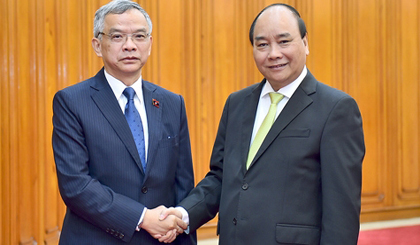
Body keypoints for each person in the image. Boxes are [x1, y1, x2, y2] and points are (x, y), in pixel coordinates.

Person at [161, 3, 365, 245]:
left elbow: (341, 212)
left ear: (305, 43)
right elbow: (221, 177)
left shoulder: (336, 109)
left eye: (283, 41)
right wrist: (184, 214)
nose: (273, 53)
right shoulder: (237, 103)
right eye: (262, 45)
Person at [52, 0, 196, 244]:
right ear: (98, 45)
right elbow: (76, 185)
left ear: (149, 44)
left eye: (139, 36)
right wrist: (142, 218)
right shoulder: (72, 101)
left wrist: (179, 229)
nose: (130, 46)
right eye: (117, 36)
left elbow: (183, 185)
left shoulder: (172, 103)